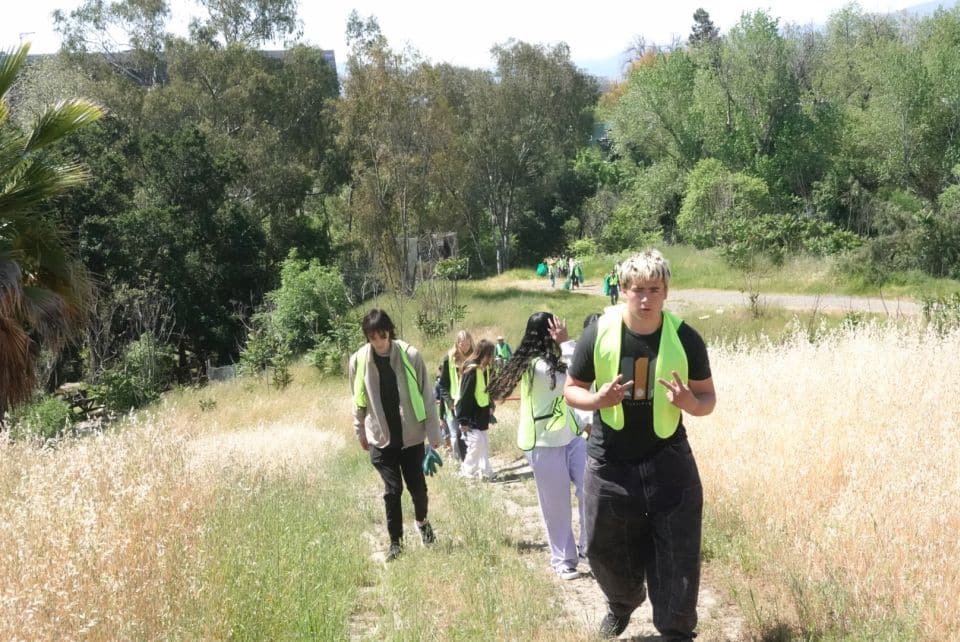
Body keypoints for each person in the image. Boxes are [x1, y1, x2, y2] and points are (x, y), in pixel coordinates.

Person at [563, 250, 716, 640]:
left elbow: (707, 399)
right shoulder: (598, 332)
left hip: (669, 461)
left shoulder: (685, 338)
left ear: (666, 291)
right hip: (609, 460)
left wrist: (689, 404)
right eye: (637, 290)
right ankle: (623, 602)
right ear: (623, 291)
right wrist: (597, 401)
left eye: (654, 289)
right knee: (601, 546)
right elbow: (571, 391)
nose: (645, 299)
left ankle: (676, 628)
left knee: (678, 553)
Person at [487, 313, 587, 581]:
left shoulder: (551, 362)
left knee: (592, 488)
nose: (561, 330)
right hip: (544, 443)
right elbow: (576, 379)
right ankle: (563, 559)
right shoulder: (538, 367)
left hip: (572, 436)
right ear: (547, 333)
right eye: (555, 328)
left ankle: (588, 546)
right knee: (557, 505)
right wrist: (567, 343)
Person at [349, 309, 444, 562]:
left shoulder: (410, 355)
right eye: (373, 337)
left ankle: (422, 523)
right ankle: (396, 543)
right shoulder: (358, 361)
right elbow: (357, 399)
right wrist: (360, 431)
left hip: (411, 437)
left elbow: (426, 395)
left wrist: (434, 434)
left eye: (382, 335)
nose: (379, 342)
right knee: (393, 490)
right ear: (367, 337)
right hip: (381, 437)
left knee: (419, 490)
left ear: (390, 331)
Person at [455, 339, 497, 481]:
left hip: (482, 413)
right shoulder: (471, 370)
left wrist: (491, 405)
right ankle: (467, 470)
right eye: (490, 355)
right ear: (483, 354)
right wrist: (463, 419)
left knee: (484, 443)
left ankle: (486, 471)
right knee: (477, 442)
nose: (491, 358)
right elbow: (465, 396)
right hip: (470, 415)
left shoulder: (483, 369)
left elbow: (486, 391)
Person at [438, 330, 475, 462]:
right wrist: (449, 402)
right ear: (457, 343)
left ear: (471, 341)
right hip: (454, 404)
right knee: (455, 436)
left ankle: (471, 462)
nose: (464, 346)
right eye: (461, 343)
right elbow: (443, 385)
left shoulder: (476, 357)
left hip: (472, 403)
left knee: (473, 436)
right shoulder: (449, 358)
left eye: (466, 343)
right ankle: (461, 463)